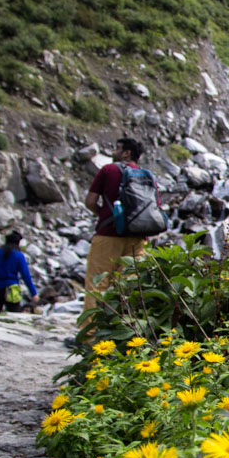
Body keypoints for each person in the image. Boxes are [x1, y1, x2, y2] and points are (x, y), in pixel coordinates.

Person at [82, 137, 147, 322]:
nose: (113, 152)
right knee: (129, 287)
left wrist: (105, 216)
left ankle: (90, 337)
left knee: (98, 284)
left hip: (108, 235)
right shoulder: (146, 175)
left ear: (126, 153)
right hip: (137, 238)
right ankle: (125, 333)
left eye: (117, 148)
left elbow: (90, 202)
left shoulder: (108, 170)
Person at [0, 231, 38, 314]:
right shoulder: (19, 255)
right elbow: (25, 275)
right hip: (12, 289)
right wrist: (33, 293)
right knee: (14, 314)